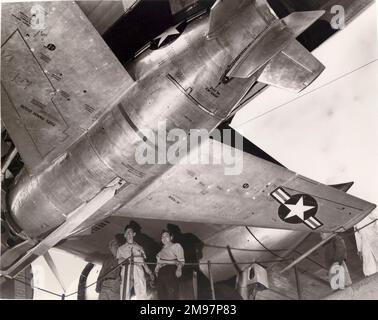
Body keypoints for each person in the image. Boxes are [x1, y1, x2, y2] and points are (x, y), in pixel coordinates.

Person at [117, 224, 154, 300]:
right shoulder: (120, 249)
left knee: (141, 291)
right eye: (127, 232)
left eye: (130, 232)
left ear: (134, 234)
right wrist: (123, 260)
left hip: (138, 270)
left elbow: (143, 262)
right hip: (126, 270)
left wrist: (150, 273)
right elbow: (118, 261)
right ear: (124, 235)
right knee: (124, 291)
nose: (129, 234)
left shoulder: (140, 248)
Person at [155, 229, 185, 300]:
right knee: (161, 296)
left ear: (171, 237)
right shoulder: (160, 251)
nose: (164, 238)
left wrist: (179, 269)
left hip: (170, 271)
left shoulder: (176, 246)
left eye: (166, 236)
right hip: (160, 273)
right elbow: (158, 264)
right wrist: (156, 271)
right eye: (162, 237)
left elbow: (181, 260)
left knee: (171, 294)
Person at [96, 234, 124, 300]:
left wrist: (118, 282)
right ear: (110, 248)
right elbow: (102, 273)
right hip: (104, 285)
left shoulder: (123, 259)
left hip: (115, 284)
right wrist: (98, 286)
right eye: (113, 245)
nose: (115, 246)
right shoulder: (107, 261)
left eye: (117, 245)